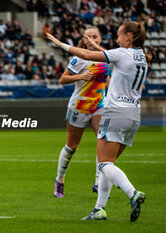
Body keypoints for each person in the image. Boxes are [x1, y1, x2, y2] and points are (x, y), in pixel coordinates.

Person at [47, 21, 150, 221]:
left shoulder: (119, 54)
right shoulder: (142, 56)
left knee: (104, 164)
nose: (117, 39)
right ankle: (99, 209)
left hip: (114, 111)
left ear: (128, 36)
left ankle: (133, 193)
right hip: (133, 114)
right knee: (107, 162)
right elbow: (115, 58)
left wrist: (60, 44)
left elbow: (89, 55)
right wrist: (96, 48)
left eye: (120, 35)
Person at [53, 27, 111, 198]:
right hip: (79, 106)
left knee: (103, 140)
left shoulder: (105, 58)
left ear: (100, 39)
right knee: (72, 147)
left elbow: (107, 79)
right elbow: (62, 79)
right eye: (88, 37)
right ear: (85, 40)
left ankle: (98, 183)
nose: (92, 39)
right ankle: (60, 180)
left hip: (99, 105)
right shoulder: (79, 58)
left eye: (95, 36)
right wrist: (80, 76)